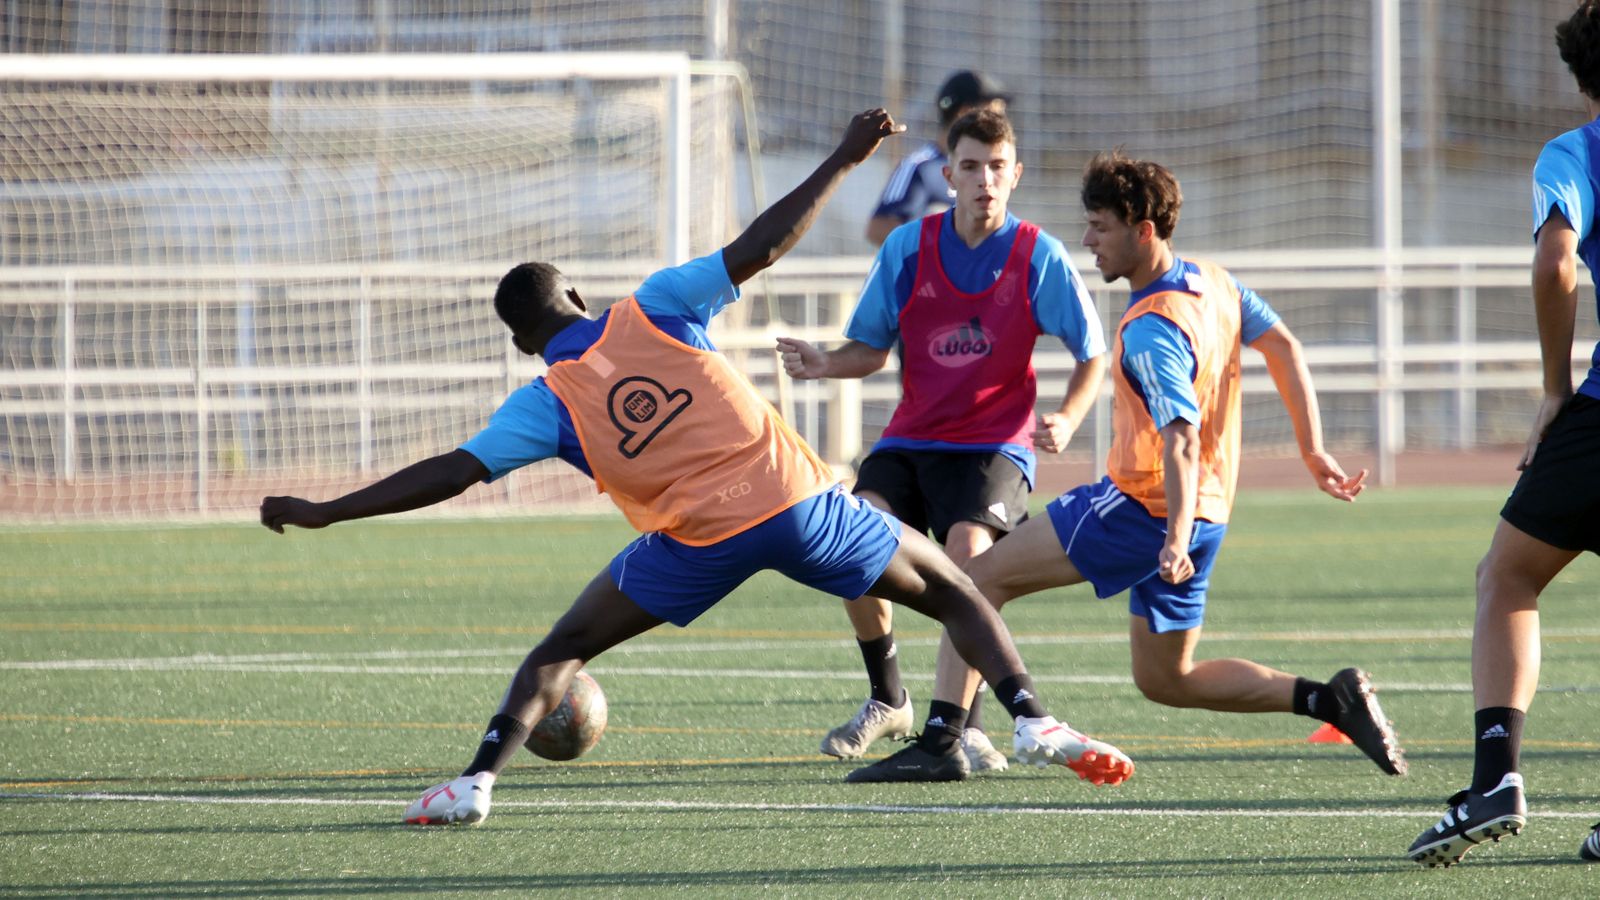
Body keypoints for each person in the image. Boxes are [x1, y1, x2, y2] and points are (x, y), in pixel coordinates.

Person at [260, 109, 1135, 827]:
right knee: (957, 589)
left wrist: (328, 510)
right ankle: (1029, 718)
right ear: (577, 299)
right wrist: (840, 155)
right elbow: (760, 245)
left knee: (559, 649)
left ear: (525, 342)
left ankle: (475, 783)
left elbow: (451, 472)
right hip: (795, 506)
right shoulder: (655, 306)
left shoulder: (544, 398)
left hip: (695, 542)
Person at [846, 148, 1408, 784]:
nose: (1087, 241)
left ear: (1144, 231)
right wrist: (1312, 449)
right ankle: (1329, 699)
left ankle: (946, 738)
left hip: (1144, 507)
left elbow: (1180, 439)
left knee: (974, 581)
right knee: (1168, 678)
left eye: (1100, 227)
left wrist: (1170, 538)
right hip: (1206, 513)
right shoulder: (1213, 283)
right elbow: (1283, 344)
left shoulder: (1149, 328)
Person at [778, 107, 1107, 777]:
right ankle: (888, 697)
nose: (984, 180)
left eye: (996, 167)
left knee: (968, 557)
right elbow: (868, 349)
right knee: (850, 540)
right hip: (912, 437)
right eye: (970, 167)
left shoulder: (1035, 255)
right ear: (947, 172)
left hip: (993, 445)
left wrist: (1069, 417)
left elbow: (1092, 353)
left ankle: (967, 727)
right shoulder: (908, 247)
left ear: (1014, 175)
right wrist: (824, 361)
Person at [1408, 2, 1600, 868]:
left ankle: (1497, 778)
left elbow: (1555, 261)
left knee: (1510, 575)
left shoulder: (1575, 154)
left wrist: (1555, 386)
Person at [864, 70, 1011, 247]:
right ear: (965, 112)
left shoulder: (992, 171)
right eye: (994, 114)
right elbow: (878, 228)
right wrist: (941, 245)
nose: (1001, 124)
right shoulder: (920, 167)